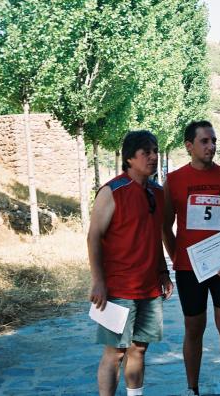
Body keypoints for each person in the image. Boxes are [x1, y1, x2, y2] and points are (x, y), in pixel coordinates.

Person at [163, 121, 220, 396]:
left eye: (213, 140)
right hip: (190, 269)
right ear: (189, 146)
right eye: (204, 141)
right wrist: (176, 255)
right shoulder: (174, 181)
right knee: (194, 328)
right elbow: (165, 226)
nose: (211, 146)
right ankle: (192, 389)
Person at [88, 130, 174, 396]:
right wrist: (99, 281)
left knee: (139, 348)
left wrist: (163, 271)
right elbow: (93, 237)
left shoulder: (158, 193)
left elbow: (155, 235)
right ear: (129, 158)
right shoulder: (112, 191)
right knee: (115, 352)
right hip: (117, 289)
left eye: (155, 151)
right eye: (145, 152)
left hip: (149, 288)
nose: (152, 157)